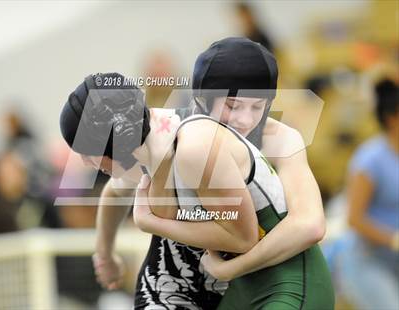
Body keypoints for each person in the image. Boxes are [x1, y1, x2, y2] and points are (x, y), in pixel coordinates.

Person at [133, 38, 334, 309]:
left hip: (283, 282)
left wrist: (232, 268)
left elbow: (310, 225)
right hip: (231, 290)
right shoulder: (180, 131)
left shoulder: (281, 139)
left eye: (258, 106)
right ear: (202, 101)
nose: (245, 120)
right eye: (232, 105)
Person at [60, 72, 261, 309]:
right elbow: (114, 193)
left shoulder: (192, 148)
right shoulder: (142, 142)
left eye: (85, 151)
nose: (84, 162)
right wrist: (105, 256)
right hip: (223, 267)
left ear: (112, 141)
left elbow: (243, 237)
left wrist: (153, 223)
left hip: (256, 268)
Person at [336, 78, 399, 309]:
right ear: (392, 118)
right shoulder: (369, 160)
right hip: (369, 262)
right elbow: (354, 219)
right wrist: (393, 239)